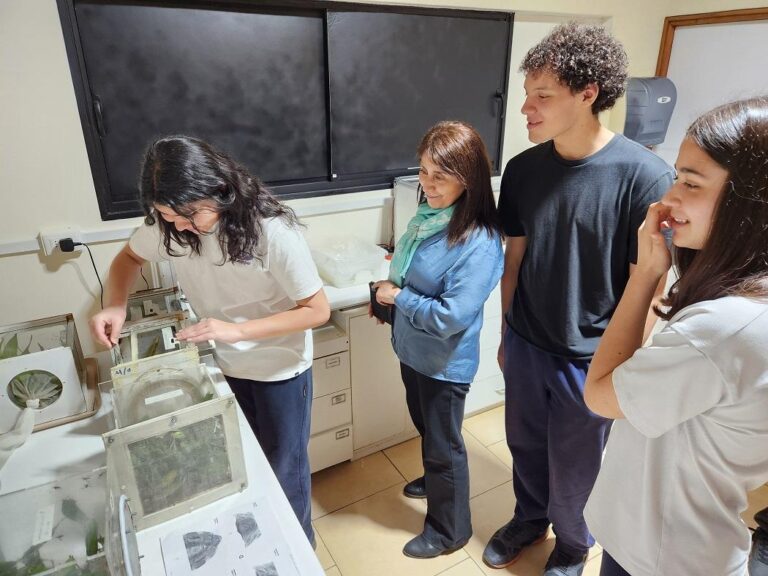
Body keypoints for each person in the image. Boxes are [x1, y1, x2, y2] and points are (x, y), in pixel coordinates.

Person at [483, 23, 674, 575]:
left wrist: (622, 373)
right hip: (526, 344)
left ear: (587, 93)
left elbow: (652, 286)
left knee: (576, 464)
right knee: (523, 444)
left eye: (543, 96)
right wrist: (505, 337)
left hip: (590, 357)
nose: (527, 108)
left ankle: (572, 542)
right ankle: (528, 518)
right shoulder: (522, 170)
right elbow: (513, 260)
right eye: (527, 95)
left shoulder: (644, 177)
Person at [90, 136, 330, 545]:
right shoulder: (170, 226)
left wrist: (233, 330)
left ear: (220, 189)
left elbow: (316, 310)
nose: (181, 226)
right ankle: (262, 546)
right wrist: (115, 304)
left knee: (284, 470)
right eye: (168, 217)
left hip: (280, 369)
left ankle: (298, 549)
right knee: (248, 464)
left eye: (191, 215)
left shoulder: (272, 231)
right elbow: (128, 258)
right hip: (227, 368)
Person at [583, 96, 768, 575]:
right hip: (677, 543)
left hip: (661, 557)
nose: (669, 199)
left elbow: (601, 395)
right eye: (675, 177)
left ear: (749, 198)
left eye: (690, 182)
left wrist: (646, 275)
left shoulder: (722, 329)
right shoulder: (738, 300)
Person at [372, 121, 504, 559]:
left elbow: (451, 317)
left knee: (445, 446)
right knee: (428, 430)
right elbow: (415, 272)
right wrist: (391, 295)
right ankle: (433, 479)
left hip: (443, 363)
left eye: (439, 176)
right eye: (424, 171)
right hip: (413, 351)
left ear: (468, 180)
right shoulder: (429, 219)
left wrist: (399, 296)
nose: (427, 184)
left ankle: (450, 531)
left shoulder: (480, 243)